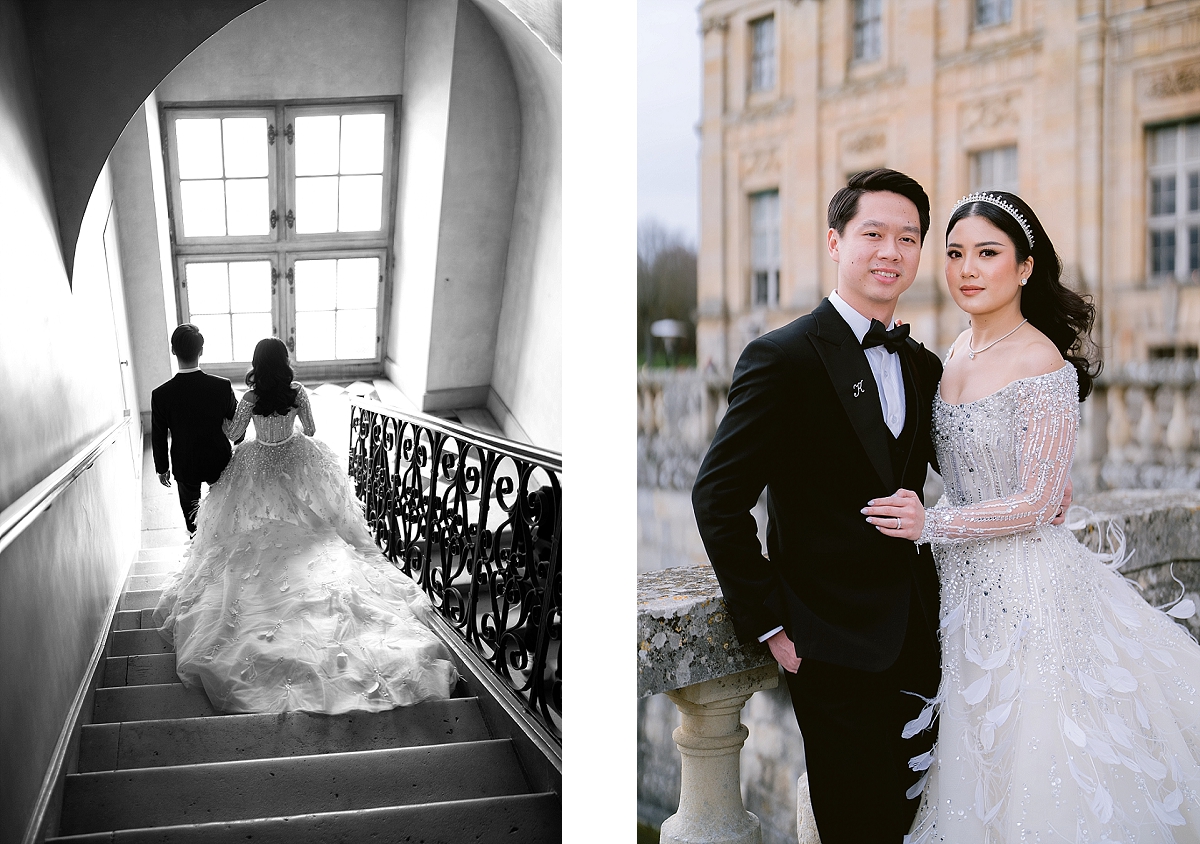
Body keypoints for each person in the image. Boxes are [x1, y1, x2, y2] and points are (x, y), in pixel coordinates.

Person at [864, 191, 1200, 840]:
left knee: (1040, 756)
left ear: (1023, 268)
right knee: (979, 752)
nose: (967, 268)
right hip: (961, 595)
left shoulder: (1042, 361)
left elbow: (1040, 503)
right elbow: (953, 462)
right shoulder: (953, 352)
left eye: (987, 253)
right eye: (956, 253)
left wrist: (931, 524)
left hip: (1029, 592)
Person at [693, 168, 947, 841]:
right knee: (855, 827)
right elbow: (718, 497)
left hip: (922, 636)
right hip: (829, 647)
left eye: (908, 237)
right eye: (873, 234)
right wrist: (772, 625)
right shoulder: (781, 358)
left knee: (917, 820)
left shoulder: (923, 367)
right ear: (836, 242)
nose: (890, 252)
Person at [154, 337, 457, 714]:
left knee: (254, 514)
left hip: (257, 459)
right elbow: (311, 430)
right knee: (308, 514)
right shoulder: (297, 392)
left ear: (256, 364)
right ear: (284, 362)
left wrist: (227, 422)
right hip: (295, 456)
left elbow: (234, 436)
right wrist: (290, 428)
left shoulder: (248, 397)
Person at [152, 324, 238, 536]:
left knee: (192, 516)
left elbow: (159, 435)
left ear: (173, 350)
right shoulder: (222, 386)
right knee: (224, 509)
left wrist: (162, 467)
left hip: (185, 461)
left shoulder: (161, 394)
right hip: (219, 458)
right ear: (201, 350)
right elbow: (236, 422)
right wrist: (238, 443)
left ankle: (196, 542)